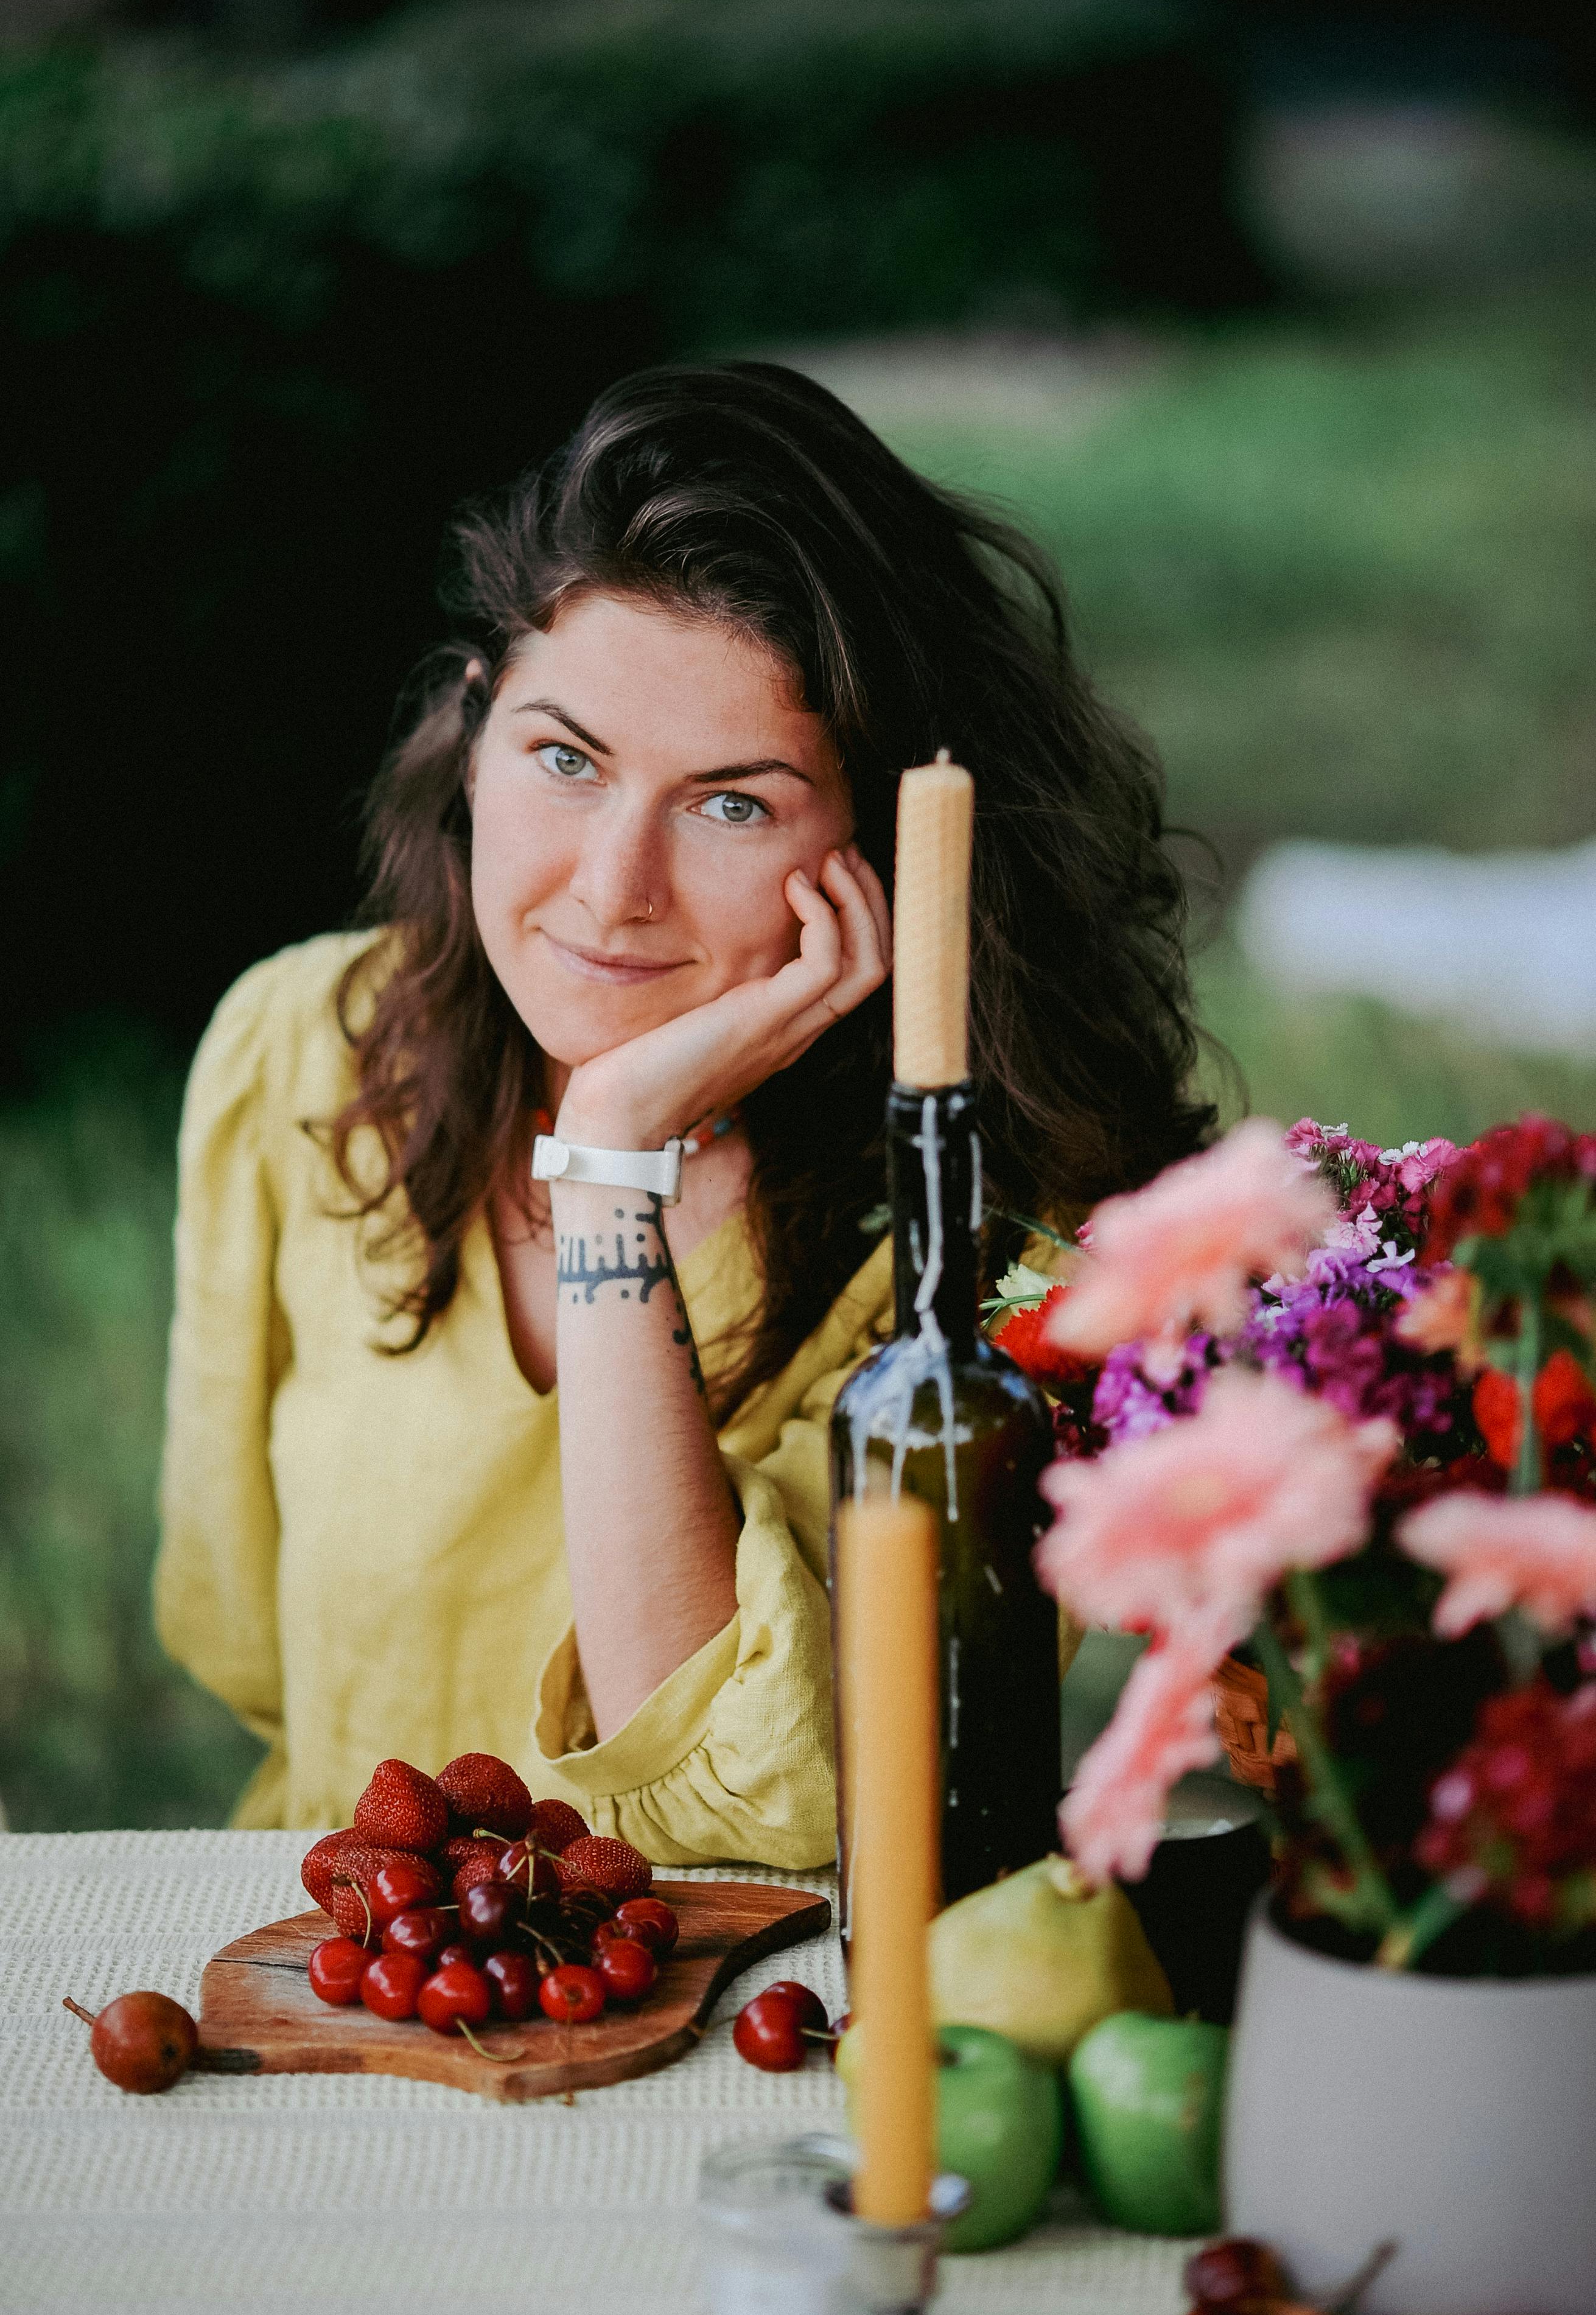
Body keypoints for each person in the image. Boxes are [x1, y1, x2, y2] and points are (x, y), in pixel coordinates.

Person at [155, 360, 1213, 1865]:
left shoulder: (1005, 1240)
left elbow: (780, 1794)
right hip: (362, 1984)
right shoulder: (298, 1049)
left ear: (897, 840)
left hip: (780, 2029)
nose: (610, 887)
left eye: (734, 803)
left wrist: (607, 1175)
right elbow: (233, 1633)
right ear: (473, 728)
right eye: (565, 759)